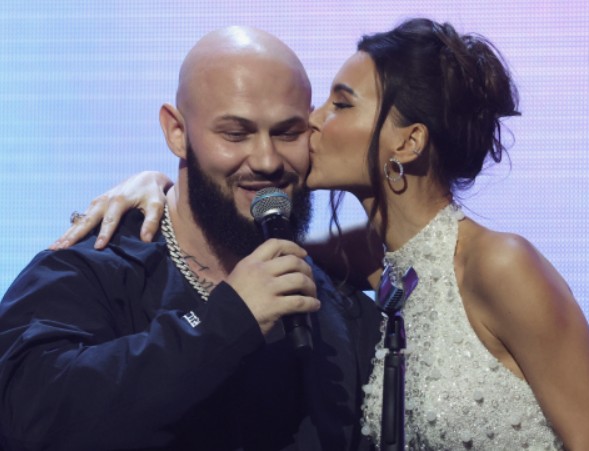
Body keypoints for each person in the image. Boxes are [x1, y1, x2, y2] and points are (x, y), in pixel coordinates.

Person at [57, 18, 589, 450]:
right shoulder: (367, 265)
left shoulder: (498, 262)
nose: (311, 121)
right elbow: (222, 231)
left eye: (340, 104)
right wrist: (157, 184)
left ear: (407, 142)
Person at [0, 26, 383, 450]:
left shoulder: (339, 309)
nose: (267, 160)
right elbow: (32, 414)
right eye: (235, 134)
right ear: (177, 132)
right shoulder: (90, 270)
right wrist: (226, 320)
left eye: (287, 133)